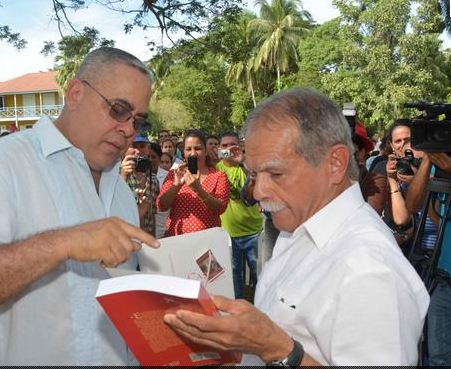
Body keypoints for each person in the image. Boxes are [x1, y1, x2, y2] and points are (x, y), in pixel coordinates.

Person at [0, 47, 159, 365]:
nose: (129, 129)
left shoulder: (120, 190)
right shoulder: (2, 164)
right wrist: (63, 242)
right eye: (119, 110)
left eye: (138, 120)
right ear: (75, 93)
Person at [164, 88, 429, 366]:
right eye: (255, 174)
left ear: (335, 163)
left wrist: (278, 350)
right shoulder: (297, 228)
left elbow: (277, 345)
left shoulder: (370, 271)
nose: (258, 192)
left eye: (276, 173)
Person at [405, 152, 451, 366]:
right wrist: (428, 159)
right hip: (443, 279)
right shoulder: (440, 163)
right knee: (437, 359)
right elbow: (413, 205)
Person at [215, 132, 263, 299]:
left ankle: (261, 310)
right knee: (234, 278)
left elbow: (259, 187)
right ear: (219, 148)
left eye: (232, 145)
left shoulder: (249, 167)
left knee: (260, 275)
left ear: (240, 146)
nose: (229, 149)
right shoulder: (216, 169)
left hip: (253, 232)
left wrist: (243, 162)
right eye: (225, 145)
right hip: (227, 234)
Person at [157, 129, 229, 236]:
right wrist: (176, 185)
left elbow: (220, 208)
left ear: (205, 151)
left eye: (198, 148)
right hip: (177, 239)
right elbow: (161, 206)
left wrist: (198, 190)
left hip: (207, 241)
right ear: (183, 152)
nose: (193, 153)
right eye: (188, 149)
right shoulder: (174, 174)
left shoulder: (218, 176)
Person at [120, 134, 160, 237]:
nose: (137, 151)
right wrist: (123, 176)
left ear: (148, 149)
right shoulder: (113, 175)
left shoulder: (153, 179)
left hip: (145, 241)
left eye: (142, 146)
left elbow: (151, 216)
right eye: (133, 146)